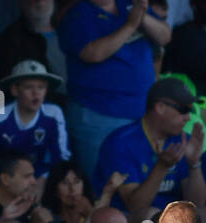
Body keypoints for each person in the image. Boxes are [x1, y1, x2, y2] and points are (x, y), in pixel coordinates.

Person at [57, 0, 171, 175]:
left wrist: (142, 16)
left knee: (137, 182)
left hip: (141, 114)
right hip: (99, 115)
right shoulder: (77, 13)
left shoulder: (128, 4)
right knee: (103, 184)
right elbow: (92, 53)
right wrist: (130, 25)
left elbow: (165, 36)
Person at [94, 77, 206, 219]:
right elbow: (136, 207)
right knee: (150, 215)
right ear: (160, 107)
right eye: (183, 110)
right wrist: (162, 166)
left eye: (191, 111)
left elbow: (197, 204)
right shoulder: (121, 142)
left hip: (173, 220)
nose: (188, 118)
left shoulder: (182, 139)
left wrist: (194, 164)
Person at [0, 60, 71, 184]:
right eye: (29, 87)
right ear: (15, 90)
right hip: (5, 181)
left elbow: (62, 157)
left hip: (38, 180)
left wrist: (44, 178)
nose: (36, 93)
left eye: (41, 87)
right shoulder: (0, 117)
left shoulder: (54, 113)